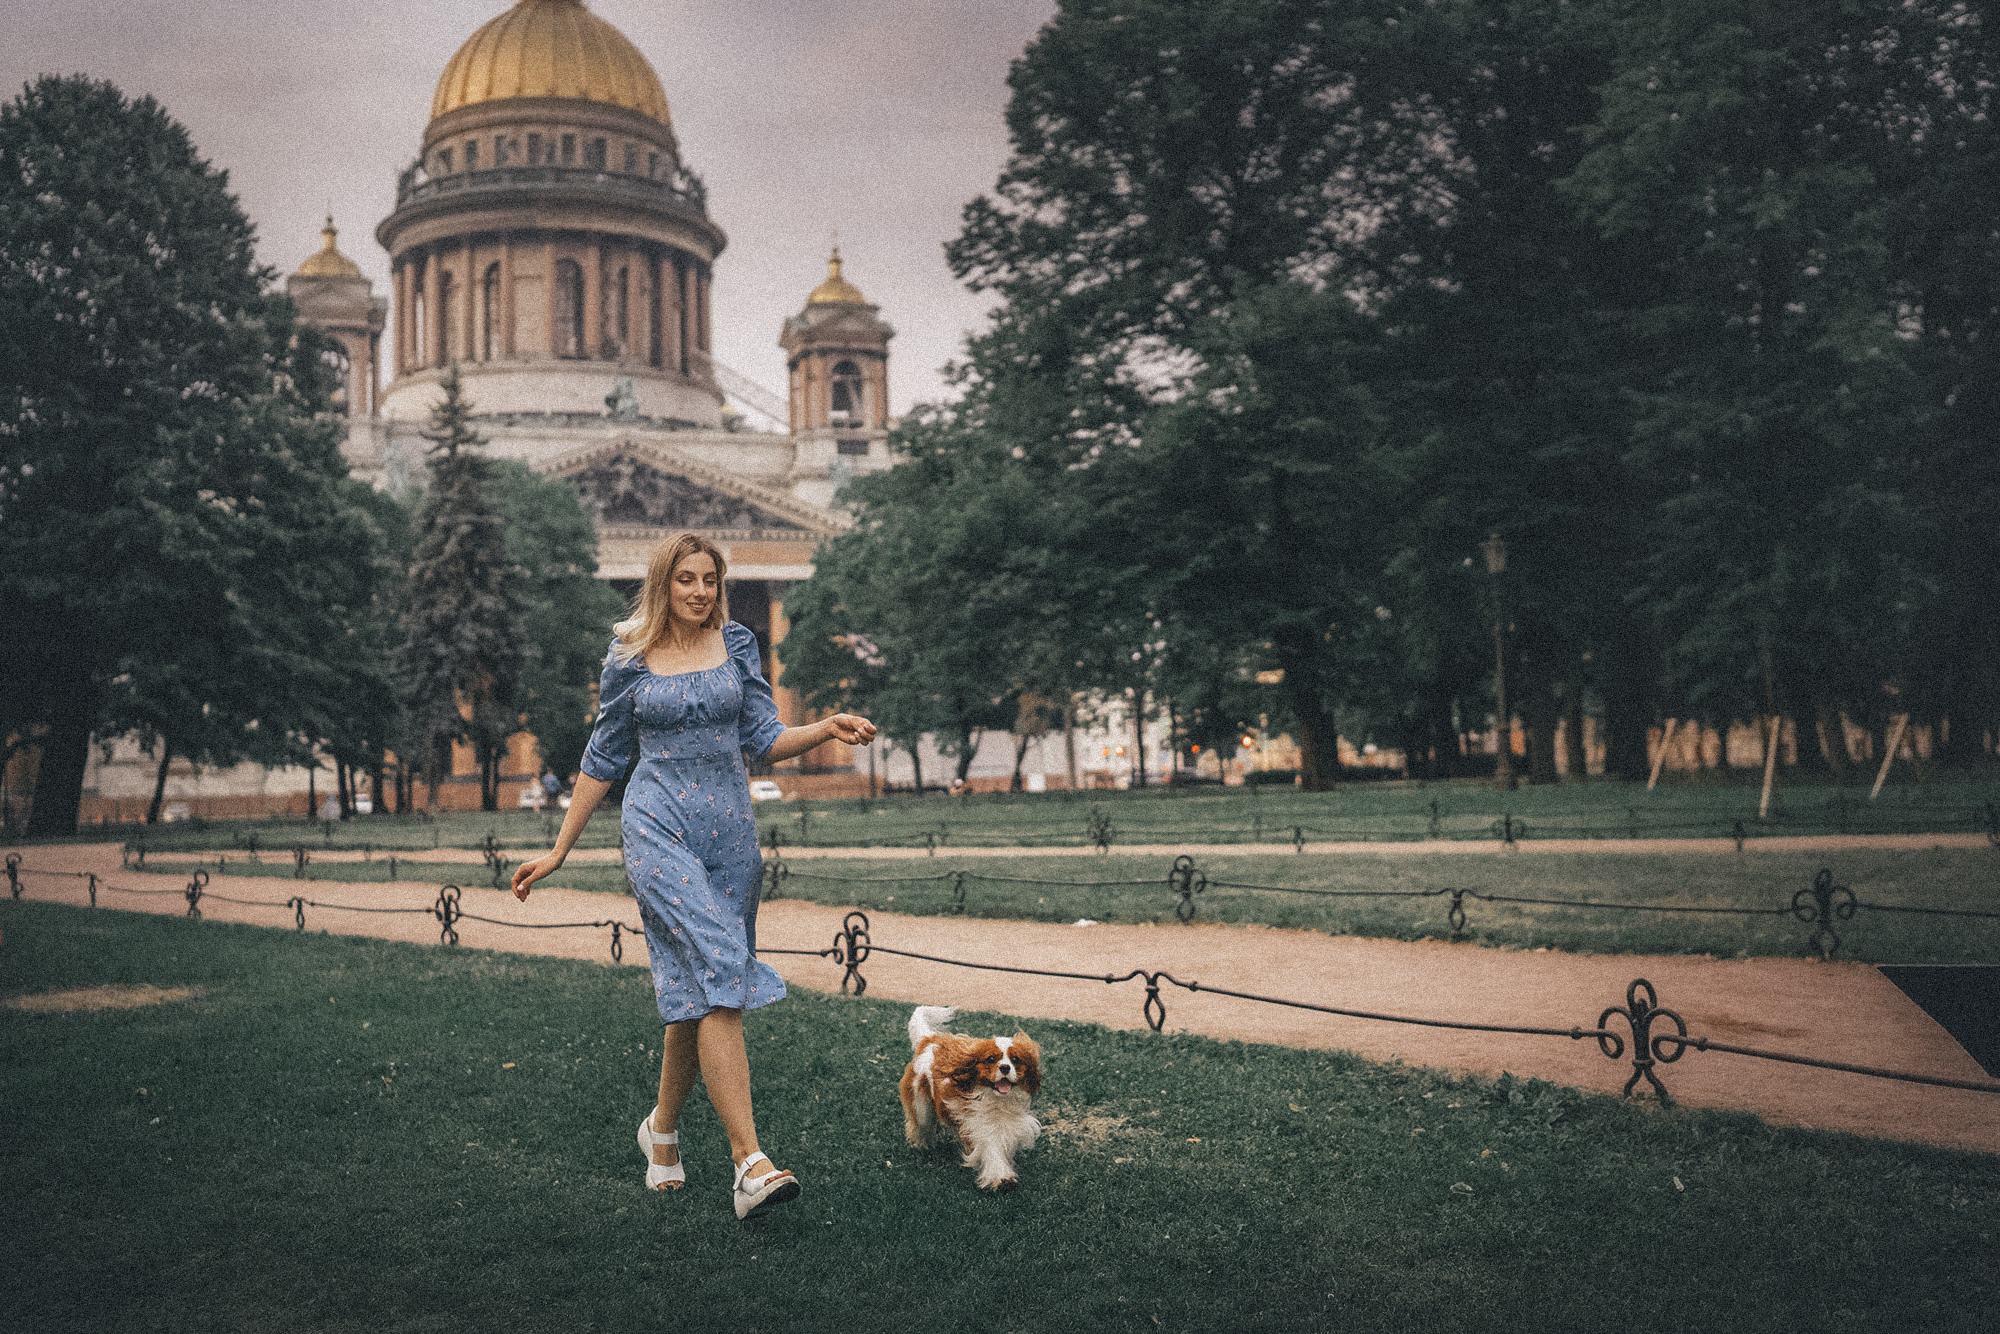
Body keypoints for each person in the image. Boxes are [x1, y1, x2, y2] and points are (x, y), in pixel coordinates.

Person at [510, 533, 876, 1218]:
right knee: (720, 967)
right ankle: (750, 1163)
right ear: (662, 583)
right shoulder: (629, 658)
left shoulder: (737, 645)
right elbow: (603, 756)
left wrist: (825, 727)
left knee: (695, 990)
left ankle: (662, 1133)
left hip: (731, 835)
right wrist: (559, 849)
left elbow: (765, 736)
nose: (701, 591)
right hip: (658, 826)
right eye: (686, 579)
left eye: (710, 579)